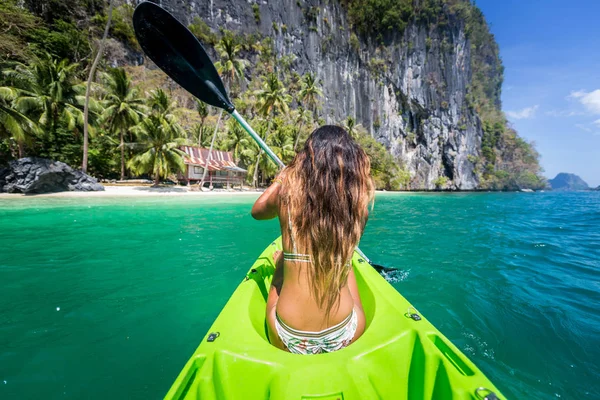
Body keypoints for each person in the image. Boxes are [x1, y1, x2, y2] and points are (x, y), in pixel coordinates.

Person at [251, 125, 375, 355]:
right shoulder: (359, 205)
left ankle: (281, 263)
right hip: (346, 333)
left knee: (283, 261)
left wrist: (282, 178)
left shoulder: (286, 195)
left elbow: (257, 211)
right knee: (345, 260)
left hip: (288, 338)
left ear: (305, 162)